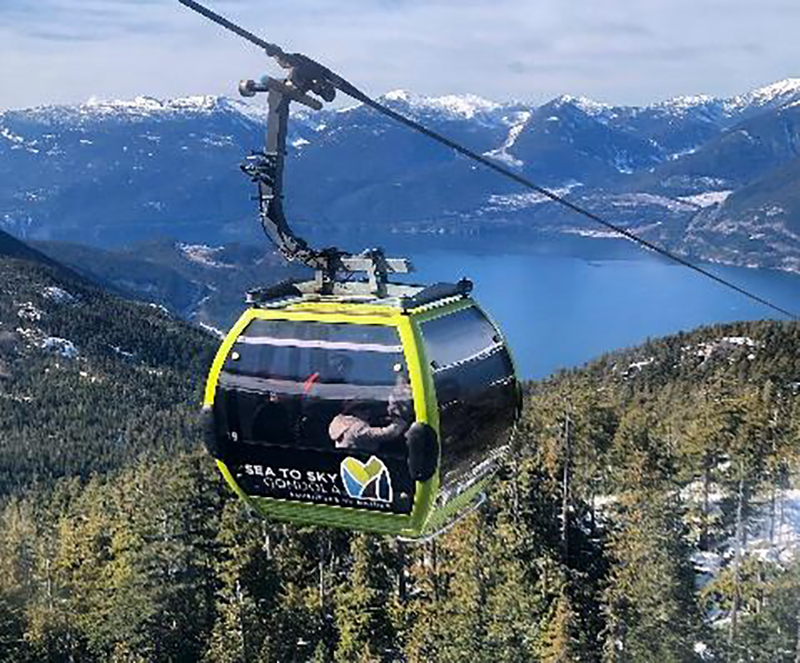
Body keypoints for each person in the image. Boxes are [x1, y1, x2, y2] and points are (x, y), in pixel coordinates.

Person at [329, 366, 413, 451]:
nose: (368, 412)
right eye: (364, 409)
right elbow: (386, 434)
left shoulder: (338, 421)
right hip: (364, 458)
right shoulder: (357, 428)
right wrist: (400, 422)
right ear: (355, 411)